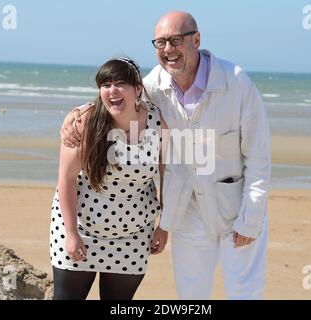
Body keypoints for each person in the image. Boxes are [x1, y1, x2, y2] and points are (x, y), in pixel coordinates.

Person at [61, 11, 271, 300]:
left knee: (245, 292)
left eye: (175, 40)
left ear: (196, 40)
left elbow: (258, 158)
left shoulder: (236, 82)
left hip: (236, 205)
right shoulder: (154, 84)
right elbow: (117, 99)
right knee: (191, 295)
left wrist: (251, 218)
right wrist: (76, 114)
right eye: (160, 43)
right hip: (186, 210)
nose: (168, 50)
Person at [50, 57, 169, 300]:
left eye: (120, 84)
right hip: (82, 230)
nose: (112, 91)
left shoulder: (157, 121)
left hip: (134, 235)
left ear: (137, 89)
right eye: (105, 85)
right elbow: (67, 178)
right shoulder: (85, 121)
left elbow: (168, 176)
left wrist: (164, 225)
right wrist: (72, 233)